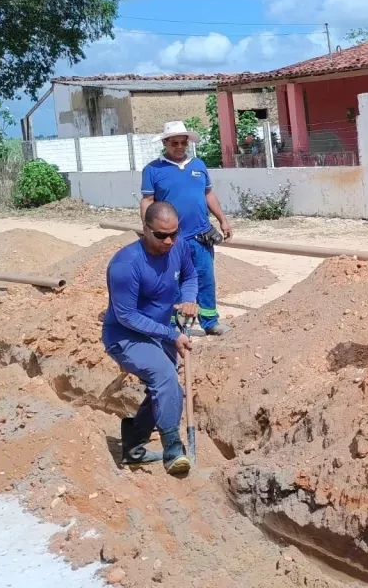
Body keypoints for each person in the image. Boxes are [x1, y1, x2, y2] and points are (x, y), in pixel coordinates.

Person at [103, 201, 196, 475]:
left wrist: (189, 298)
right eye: (161, 235)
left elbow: (190, 276)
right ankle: (173, 450)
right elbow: (127, 316)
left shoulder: (179, 246)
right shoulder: (125, 265)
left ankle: (133, 445)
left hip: (159, 332)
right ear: (145, 229)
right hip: (125, 336)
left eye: (174, 234)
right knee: (166, 378)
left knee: (168, 392)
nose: (169, 241)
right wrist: (172, 333)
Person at [140, 120, 233, 336]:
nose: (180, 147)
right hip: (172, 239)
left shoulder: (198, 165)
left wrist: (223, 220)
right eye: (174, 143)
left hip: (200, 236)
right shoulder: (153, 170)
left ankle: (210, 322)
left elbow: (208, 194)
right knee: (172, 281)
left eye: (183, 143)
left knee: (205, 278)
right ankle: (173, 326)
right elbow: (147, 201)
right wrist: (149, 229)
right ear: (165, 143)